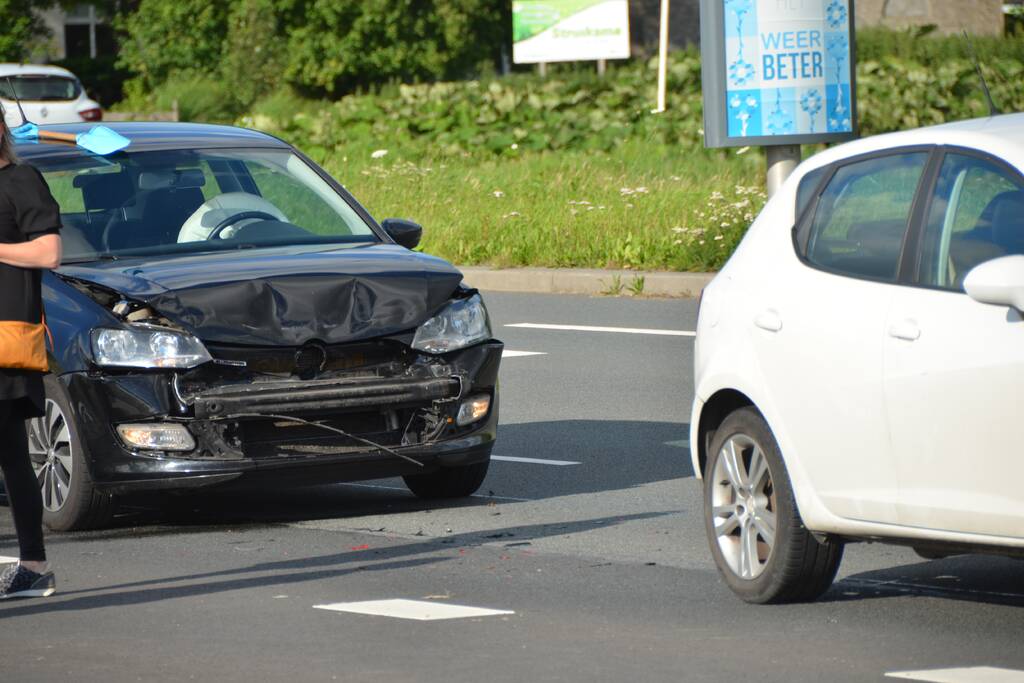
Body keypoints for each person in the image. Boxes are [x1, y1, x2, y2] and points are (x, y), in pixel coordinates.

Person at [0, 104, 63, 599]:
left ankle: (35, 565)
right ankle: (33, 566)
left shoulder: (21, 181)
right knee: (12, 456)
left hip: (4, 343)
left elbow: (48, 252)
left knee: (13, 457)